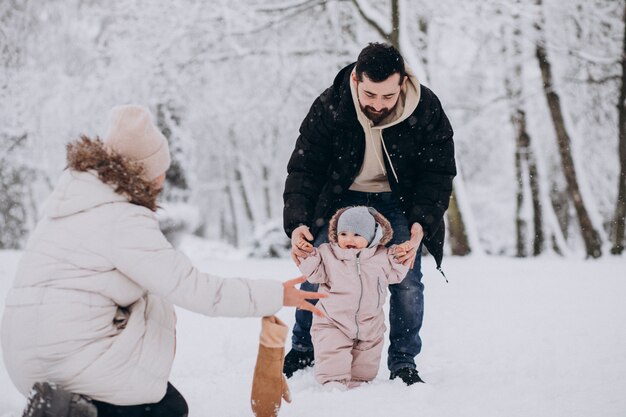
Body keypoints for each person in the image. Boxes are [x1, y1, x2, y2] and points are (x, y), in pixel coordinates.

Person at [0, 105, 325, 417]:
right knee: (169, 409)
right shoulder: (123, 218)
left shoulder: (70, 204)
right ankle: (74, 413)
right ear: (143, 172)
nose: (163, 179)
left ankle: (68, 407)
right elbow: (192, 288)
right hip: (69, 365)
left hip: (26, 362)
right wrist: (275, 294)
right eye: (160, 171)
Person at [283, 42, 456, 385]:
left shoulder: (426, 108)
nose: (378, 104)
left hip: (397, 200)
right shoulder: (331, 104)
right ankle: (303, 347)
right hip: (339, 197)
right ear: (356, 80)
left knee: (407, 279)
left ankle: (403, 360)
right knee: (317, 267)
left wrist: (422, 224)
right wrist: (298, 223)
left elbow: (436, 174)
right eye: (370, 95)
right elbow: (305, 167)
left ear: (403, 83)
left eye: (388, 96)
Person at [296, 206, 409, 388]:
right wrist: (308, 256)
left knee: (366, 361)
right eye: (344, 234)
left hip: (370, 322)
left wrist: (399, 258)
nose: (349, 239)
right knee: (332, 351)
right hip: (333, 320)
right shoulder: (328, 255)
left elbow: (397, 274)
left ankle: (359, 383)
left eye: (357, 235)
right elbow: (315, 274)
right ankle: (333, 382)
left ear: (373, 236)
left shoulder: (383, 257)